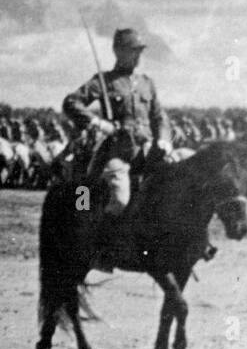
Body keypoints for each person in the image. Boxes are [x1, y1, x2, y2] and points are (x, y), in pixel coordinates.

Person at [63, 27, 172, 235]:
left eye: (140, 51)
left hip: (148, 153)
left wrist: (164, 140)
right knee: (120, 200)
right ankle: (103, 241)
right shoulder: (104, 81)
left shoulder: (147, 83)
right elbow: (71, 102)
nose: (138, 55)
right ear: (118, 51)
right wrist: (97, 123)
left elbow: (160, 117)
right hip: (118, 154)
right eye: (133, 50)